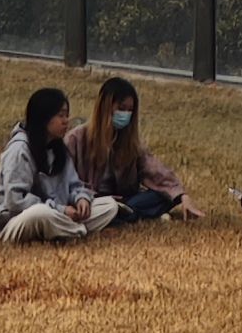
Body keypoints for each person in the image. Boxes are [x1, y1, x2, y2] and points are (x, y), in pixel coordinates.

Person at [0, 86, 117, 244]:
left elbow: (74, 185)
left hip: (59, 215)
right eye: (60, 115)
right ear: (43, 117)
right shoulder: (19, 149)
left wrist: (81, 199)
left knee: (109, 206)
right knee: (40, 213)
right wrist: (60, 209)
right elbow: (15, 201)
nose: (66, 121)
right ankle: (77, 232)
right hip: (20, 221)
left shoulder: (58, 148)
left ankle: (63, 231)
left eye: (67, 115)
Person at [78, 76, 195, 223]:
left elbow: (153, 169)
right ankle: (128, 215)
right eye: (121, 109)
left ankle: (123, 215)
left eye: (130, 110)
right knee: (108, 208)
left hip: (125, 200)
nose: (125, 114)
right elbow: (67, 182)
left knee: (163, 196)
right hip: (91, 200)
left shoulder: (131, 142)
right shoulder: (77, 138)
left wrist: (182, 195)